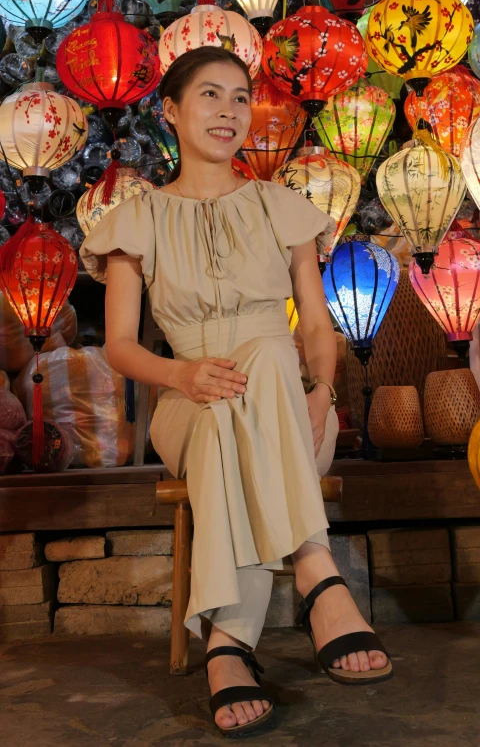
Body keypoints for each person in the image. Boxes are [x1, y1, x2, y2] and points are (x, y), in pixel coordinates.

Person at [80, 46, 393, 738]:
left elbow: (315, 325)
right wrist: (183, 374)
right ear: (170, 111)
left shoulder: (283, 208)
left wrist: (320, 391)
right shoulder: (138, 219)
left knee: (266, 358)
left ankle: (226, 644)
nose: (229, 112)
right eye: (210, 96)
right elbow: (123, 346)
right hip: (184, 397)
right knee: (227, 398)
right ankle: (316, 565)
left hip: (294, 402)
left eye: (240, 98)